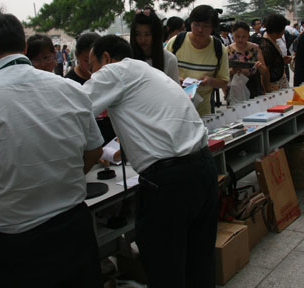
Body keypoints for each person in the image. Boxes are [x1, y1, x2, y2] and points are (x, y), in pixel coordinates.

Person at [0, 13, 104, 287]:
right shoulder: (69, 89)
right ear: (24, 47)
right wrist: (60, 177)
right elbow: (94, 150)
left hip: (15, 244)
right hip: (73, 230)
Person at [83, 35, 217, 288]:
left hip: (170, 182)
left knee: (165, 266)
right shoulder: (149, 72)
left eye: (92, 66)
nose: (92, 74)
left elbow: (74, 109)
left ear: (107, 58)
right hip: (202, 169)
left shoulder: (114, 71)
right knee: (199, 263)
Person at [166, 5, 229, 116]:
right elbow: (160, 71)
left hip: (203, 111)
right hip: (174, 109)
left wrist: (210, 81)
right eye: (196, 25)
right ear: (190, 24)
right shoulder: (176, 42)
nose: (200, 30)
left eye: (206, 26)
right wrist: (176, 79)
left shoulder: (218, 48)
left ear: (213, 27)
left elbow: (224, 81)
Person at [65, 32, 116, 144]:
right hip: (90, 147)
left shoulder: (110, 77)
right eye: (86, 61)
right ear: (77, 57)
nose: (91, 66)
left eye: (96, 60)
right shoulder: (69, 83)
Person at [131, 8, 179, 83]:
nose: (142, 39)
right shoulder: (128, 58)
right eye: (137, 34)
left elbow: (175, 90)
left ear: (156, 34)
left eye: (147, 35)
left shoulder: (169, 60)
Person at [227, 21, 269, 97]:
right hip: (235, 86)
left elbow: (264, 71)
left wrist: (259, 66)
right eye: (237, 36)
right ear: (232, 35)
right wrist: (232, 71)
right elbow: (222, 74)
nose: (240, 40)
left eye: (244, 37)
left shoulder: (255, 48)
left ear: (248, 35)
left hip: (254, 85)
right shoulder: (227, 50)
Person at [259, 14, 290, 90]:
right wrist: (267, 90)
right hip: (273, 85)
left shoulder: (272, 40)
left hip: (279, 81)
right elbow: (265, 71)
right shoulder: (266, 46)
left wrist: (281, 61)